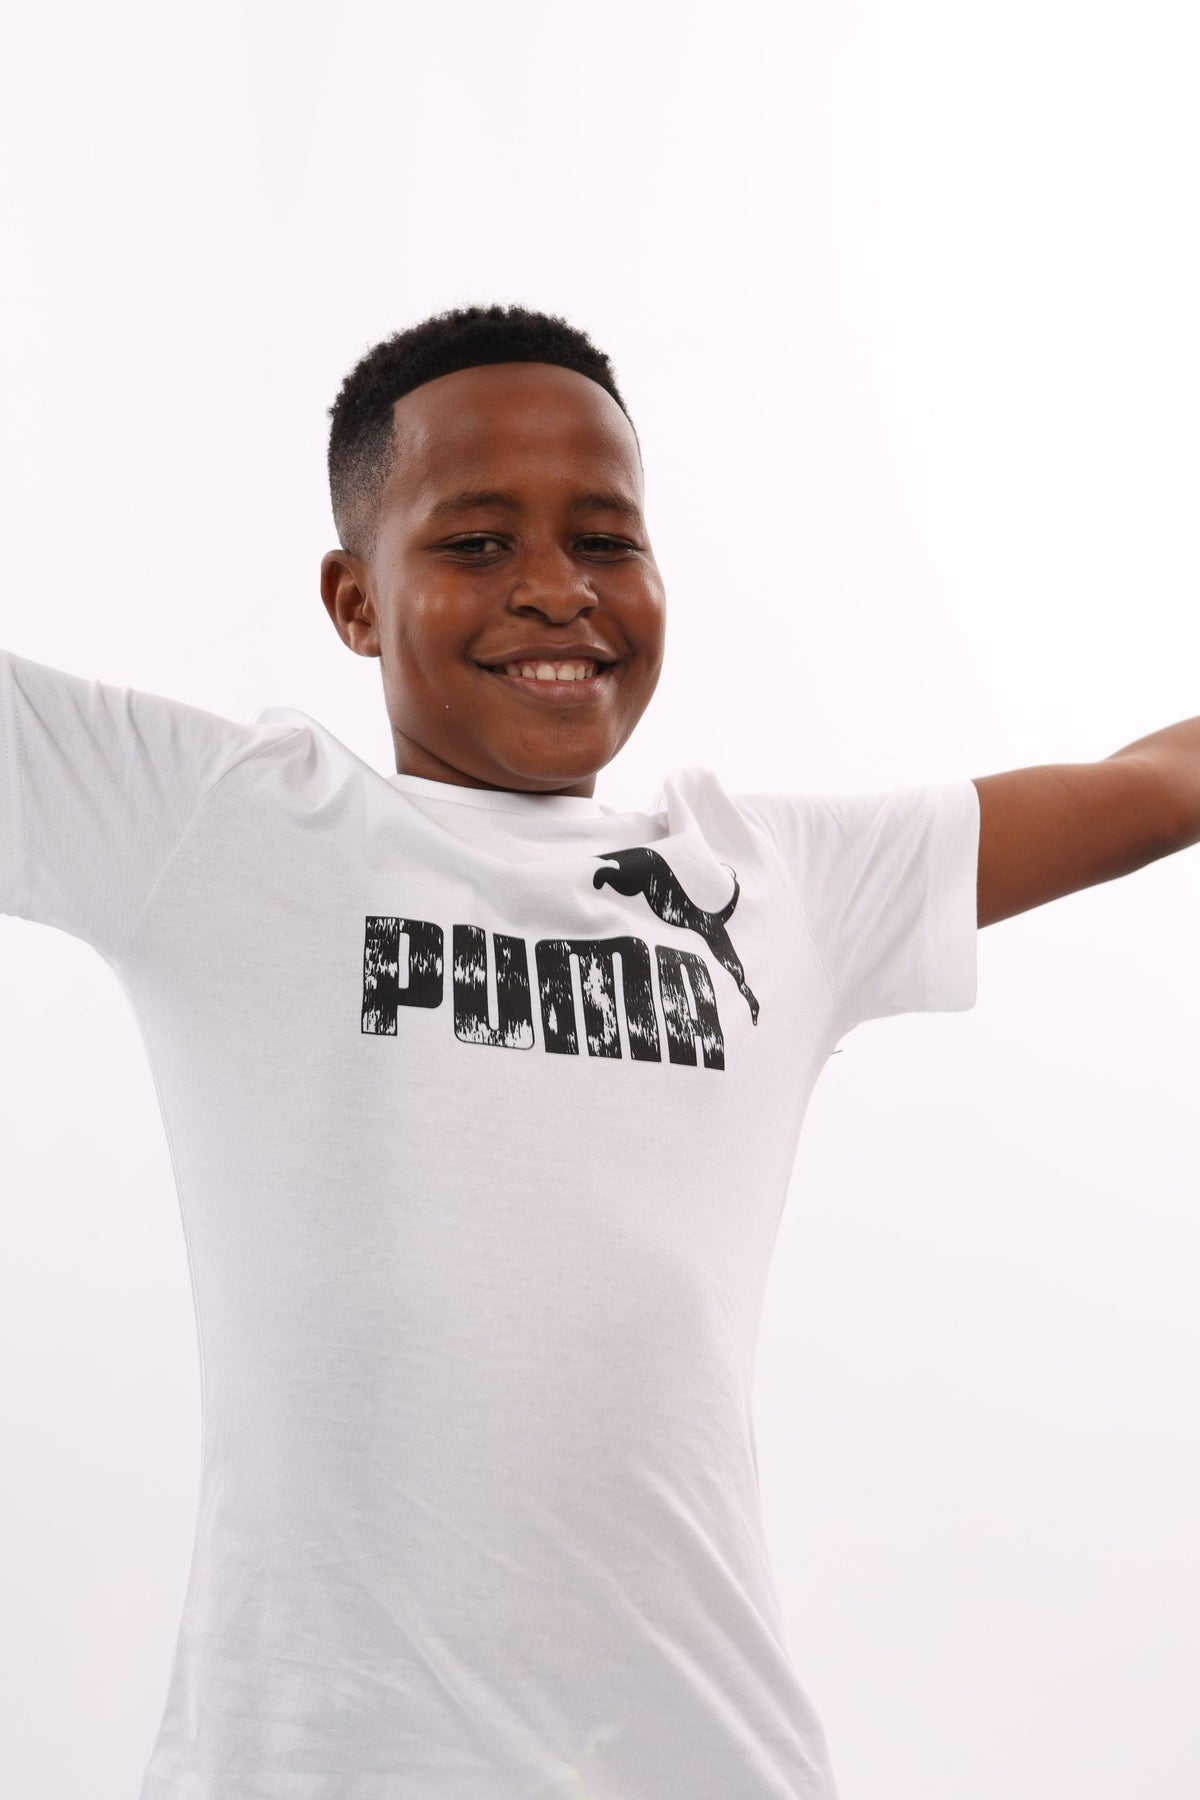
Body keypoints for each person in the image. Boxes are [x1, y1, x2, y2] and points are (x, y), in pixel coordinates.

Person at [1, 301, 1195, 1800]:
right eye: (476, 542)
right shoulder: (223, 825)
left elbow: (1159, 787)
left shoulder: (777, 879)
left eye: (607, 539)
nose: (558, 590)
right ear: (355, 600)